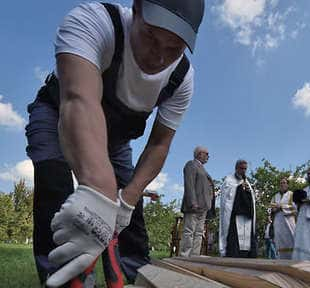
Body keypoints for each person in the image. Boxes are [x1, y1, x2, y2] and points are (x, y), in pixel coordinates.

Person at [24, 0, 205, 286]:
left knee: (128, 208)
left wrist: (126, 200)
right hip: (58, 112)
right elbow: (78, 100)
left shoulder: (182, 77)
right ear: (136, 10)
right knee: (55, 184)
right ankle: (60, 274)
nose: (158, 57)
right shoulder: (94, 22)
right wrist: (99, 191)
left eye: (173, 49)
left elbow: (159, 144)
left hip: (117, 140)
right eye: (150, 38)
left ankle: (132, 273)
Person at [180, 146, 214, 257]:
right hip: (193, 205)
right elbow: (189, 185)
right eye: (207, 154)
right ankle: (185, 256)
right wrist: (192, 202)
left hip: (203, 207)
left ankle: (194, 256)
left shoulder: (203, 169)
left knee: (199, 233)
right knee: (189, 231)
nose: (208, 157)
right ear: (199, 154)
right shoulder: (191, 165)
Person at [219, 160, 257, 258]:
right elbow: (226, 197)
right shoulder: (229, 180)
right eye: (241, 168)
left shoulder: (247, 182)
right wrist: (239, 188)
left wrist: (248, 191)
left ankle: (246, 254)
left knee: (247, 238)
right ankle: (233, 254)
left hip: (246, 216)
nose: (243, 171)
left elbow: (252, 199)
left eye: (245, 169)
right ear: (236, 168)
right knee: (235, 238)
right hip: (234, 215)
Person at [270, 178, 297, 259]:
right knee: (279, 244)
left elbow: (296, 208)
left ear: (287, 184)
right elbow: (270, 208)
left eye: (284, 183)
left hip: (289, 224)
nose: (282, 184)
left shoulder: (292, 195)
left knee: (291, 242)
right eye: (281, 183)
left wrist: (282, 207)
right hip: (278, 224)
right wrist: (273, 210)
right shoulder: (275, 196)